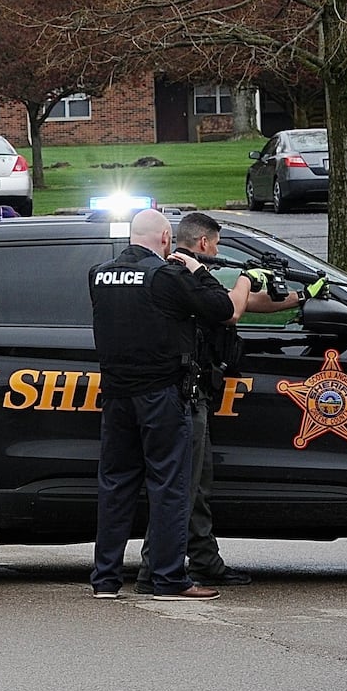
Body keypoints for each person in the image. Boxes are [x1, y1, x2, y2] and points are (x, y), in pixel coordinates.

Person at [133, 211, 312, 593]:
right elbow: (231, 310)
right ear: (202, 242)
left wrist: (302, 296)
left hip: (198, 393)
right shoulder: (178, 274)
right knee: (180, 484)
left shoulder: (200, 270)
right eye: (215, 243)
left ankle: (204, 560)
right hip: (183, 391)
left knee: (197, 485)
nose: (217, 250)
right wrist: (246, 280)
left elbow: (244, 301)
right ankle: (156, 567)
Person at [86, 207, 242, 601]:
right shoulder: (166, 275)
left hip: (117, 395)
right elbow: (222, 309)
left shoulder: (99, 275)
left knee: (115, 486)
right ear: (166, 240)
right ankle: (169, 580)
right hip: (162, 396)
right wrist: (195, 268)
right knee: (168, 486)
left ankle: (105, 580)